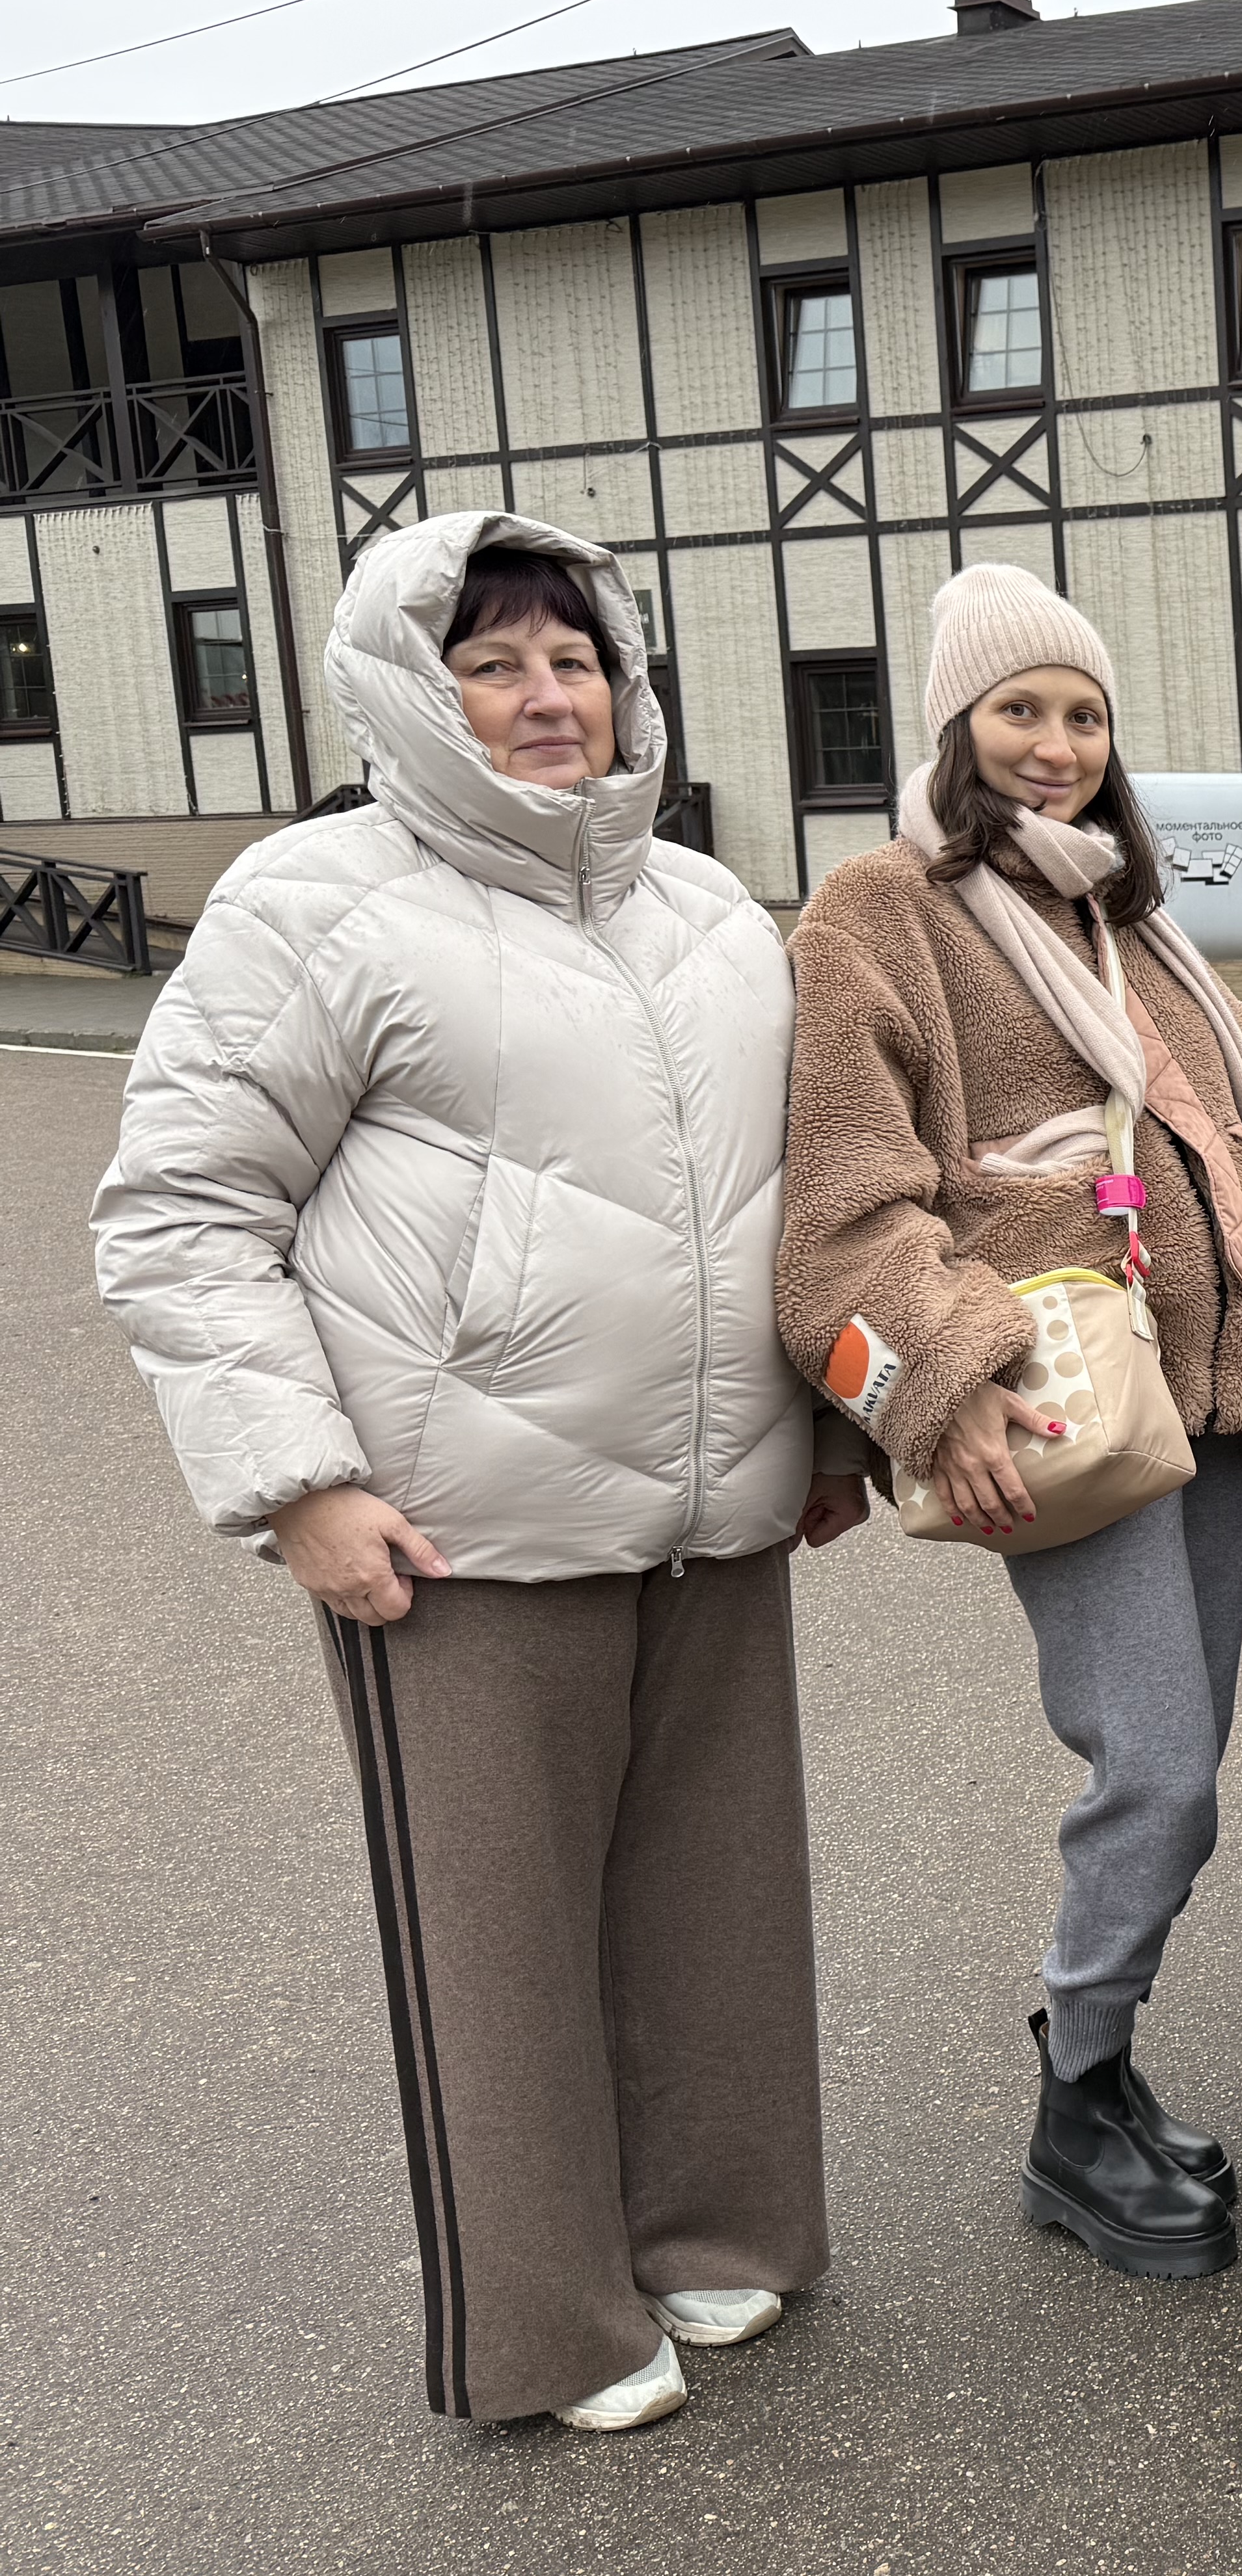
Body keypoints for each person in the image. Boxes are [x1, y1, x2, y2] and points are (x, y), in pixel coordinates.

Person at [91, 512, 860, 2434]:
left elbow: (797, 1207)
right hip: (456, 1535)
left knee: (714, 1894)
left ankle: (711, 2227)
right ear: (409, 689)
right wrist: (298, 1484)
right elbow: (181, 1213)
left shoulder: (704, 910)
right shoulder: (316, 904)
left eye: (573, 658)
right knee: (499, 1947)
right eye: (494, 662)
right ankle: (556, 2325)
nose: (544, 696)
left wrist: (832, 1429)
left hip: (709, 1518)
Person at [777, 564, 1242, 2285]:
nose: (1055, 747)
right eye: (1020, 712)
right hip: (1056, 1392)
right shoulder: (881, 912)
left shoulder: (1133, 926)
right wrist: (937, 1382)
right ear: (956, 728)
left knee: (1183, 1769)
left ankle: (1095, 2069)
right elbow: (844, 1198)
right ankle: (1077, 2099)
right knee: (1154, 1769)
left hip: (1213, 1392)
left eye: (1081, 714)